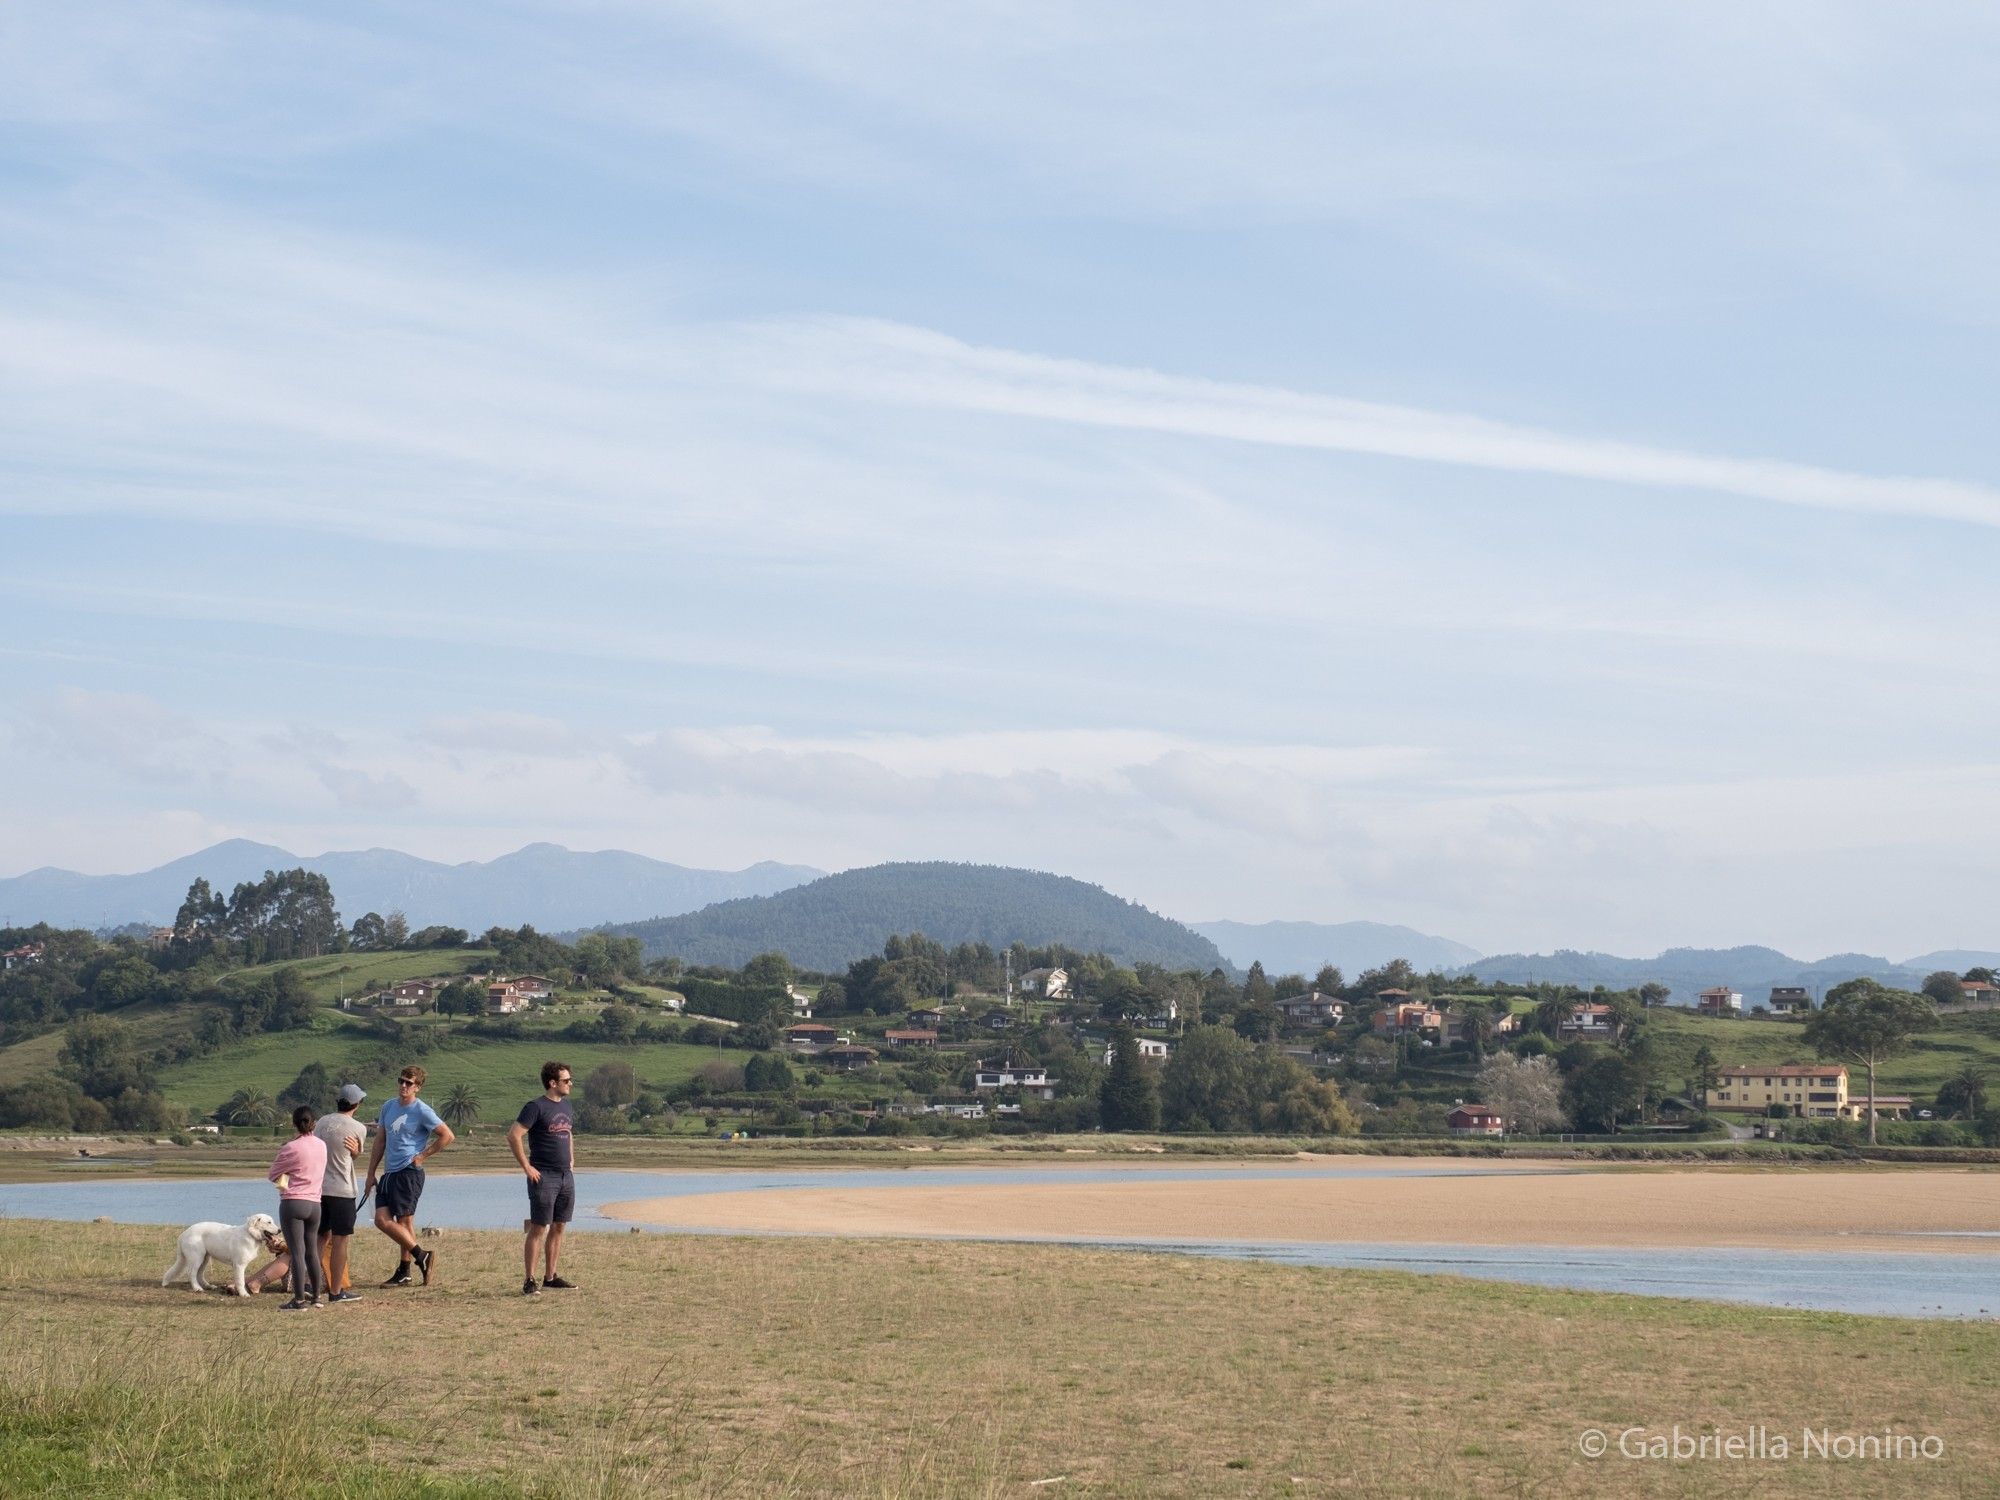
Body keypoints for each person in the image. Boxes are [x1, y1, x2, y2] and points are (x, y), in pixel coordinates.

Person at [363, 1065, 454, 1287]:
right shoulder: (388, 1107)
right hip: (389, 1172)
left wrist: (423, 1156)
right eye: (401, 1081)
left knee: (405, 1221)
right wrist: (371, 1172)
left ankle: (404, 1271)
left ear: (418, 1088)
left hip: (408, 1172)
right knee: (381, 1220)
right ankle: (421, 1256)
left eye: (409, 1083)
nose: (403, 1086)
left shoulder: (421, 1110)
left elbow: (447, 1135)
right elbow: (380, 1141)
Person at [507, 1060, 576, 1296]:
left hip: (565, 1175)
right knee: (539, 1227)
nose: (570, 1083)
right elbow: (514, 1135)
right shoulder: (535, 1107)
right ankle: (529, 1280)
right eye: (566, 1080)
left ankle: (551, 1277)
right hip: (543, 1175)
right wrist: (527, 1166)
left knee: (559, 1225)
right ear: (552, 1082)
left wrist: (571, 1160)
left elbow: (568, 1133)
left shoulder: (566, 1106)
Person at [268, 1104, 329, 1311]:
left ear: (294, 1124)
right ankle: (317, 1297)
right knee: (312, 1250)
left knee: (297, 1252)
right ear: (314, 1123)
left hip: (293, 1202)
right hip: (315, 1204)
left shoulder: (290, 1147)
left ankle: (299, 1299)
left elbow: (273, 1174)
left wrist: (285, 1185)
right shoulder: (321, 1145)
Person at [313, 1082, 369, 1302]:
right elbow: (352, 1155)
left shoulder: (322, 1122)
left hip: (318, 1189)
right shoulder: (358, 1128)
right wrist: (355, 1152)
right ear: (357, 1104)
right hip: (342, 1190)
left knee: (319, 1238)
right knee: (340, 1240)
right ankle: (336, 1291)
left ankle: (312, 1286)